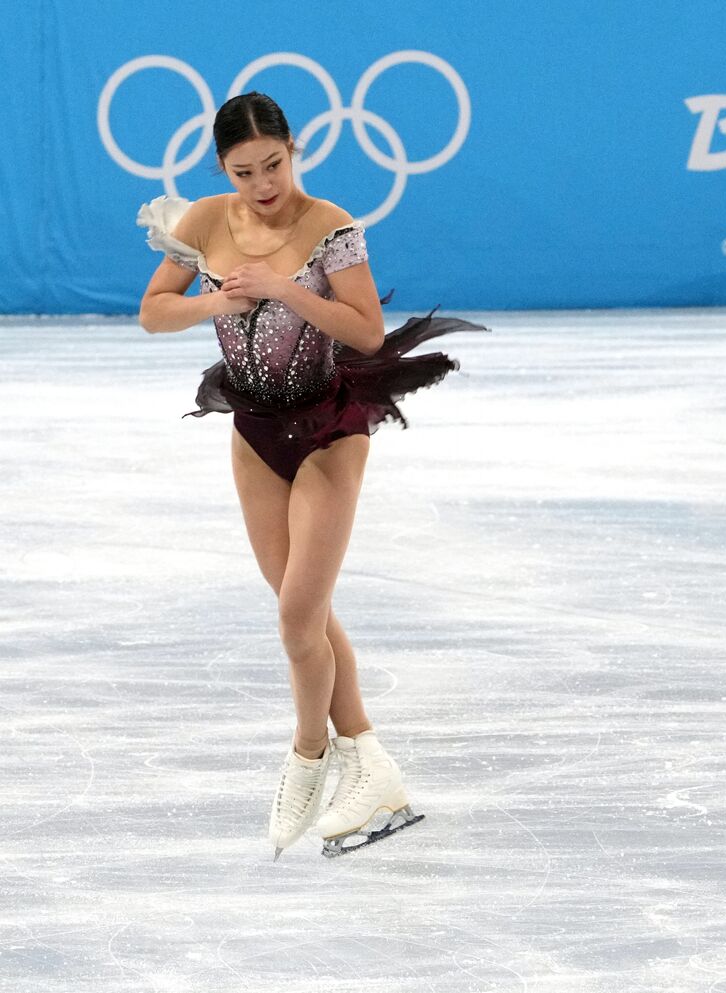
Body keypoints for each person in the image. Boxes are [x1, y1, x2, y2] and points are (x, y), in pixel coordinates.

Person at [136, 91, 487, 860]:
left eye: (275, 163)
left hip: (330, 426)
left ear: (294, 150)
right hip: (256, 431)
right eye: (245, 170)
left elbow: (366, 330)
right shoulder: (201, 222)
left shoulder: (329, 226)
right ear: (221, 168)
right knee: (313, 616)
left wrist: (285, 286)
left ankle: (308, 753)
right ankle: (370, 761)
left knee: (298, 620)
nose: (265, 183)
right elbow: (153, 310)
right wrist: (211, 305)